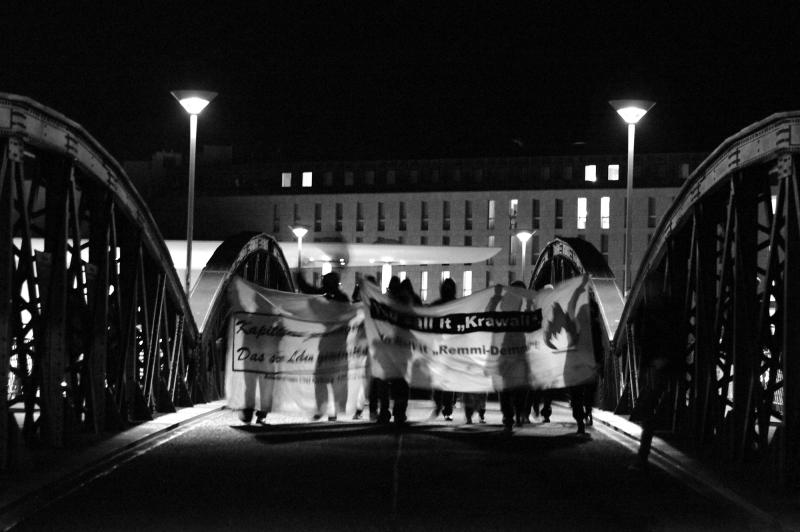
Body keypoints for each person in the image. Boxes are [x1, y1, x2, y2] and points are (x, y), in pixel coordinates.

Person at [428, 278, 457, 421]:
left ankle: (443, 406)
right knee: (443, 380)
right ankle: (444, 407)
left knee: (442, 380)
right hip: (443, 348)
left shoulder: (437, 305)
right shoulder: (458, 305)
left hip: (445, 348)